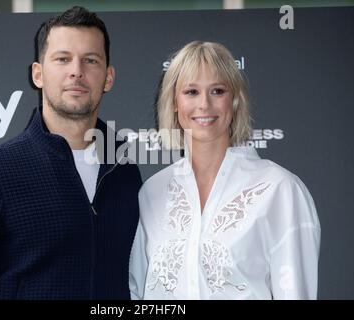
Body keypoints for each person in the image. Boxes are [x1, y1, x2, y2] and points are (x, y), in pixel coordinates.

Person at [0, 6, 142, 299]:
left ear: (108, 77)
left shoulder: (125, 171)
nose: (76, 71)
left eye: (90, 60)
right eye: (62, 59)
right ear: (38, 74)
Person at [129, 41, 320, 300]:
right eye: (191, 92)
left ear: (235, 101)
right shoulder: (152, 192)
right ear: (174, 102)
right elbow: (138, 293)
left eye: (217, 91)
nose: (204, 104)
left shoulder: (279, 189)